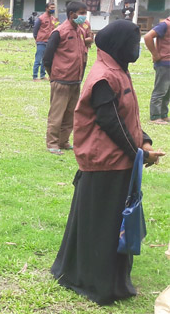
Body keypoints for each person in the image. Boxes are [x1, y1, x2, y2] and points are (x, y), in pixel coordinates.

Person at [51, 19, 164, 306]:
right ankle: (94, 281)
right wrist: (140, 154)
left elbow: (129, 116)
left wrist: (145, 141)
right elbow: (110, 124)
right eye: (132, 40)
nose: (136, 46)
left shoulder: (118, 71)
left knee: (111, 223)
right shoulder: (104, 77)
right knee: (103, 226)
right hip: (105, 165)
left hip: (118, 163)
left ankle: (105, 276)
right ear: (118, 45)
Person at [43, 1, 90, 155]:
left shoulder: (80, 31)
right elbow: (47, 58)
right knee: (57, 114)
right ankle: (52, 143)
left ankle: (64, 141)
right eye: (81, 13)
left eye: (85, 13)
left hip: (75, 80)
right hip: (61, 80)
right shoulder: (59, 32)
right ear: (71, 14)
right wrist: (54, 76)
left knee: (70, 114)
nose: (84, 16)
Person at [144, 15, 170, 124]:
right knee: (160, 90)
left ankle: (163, 115)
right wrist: (155, 54)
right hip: (164, 63)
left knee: (168, 92)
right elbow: (148, 37)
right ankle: (155, 117)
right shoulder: (165, 25)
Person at [32, 2, 59, 81]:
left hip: (49, 42)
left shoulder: (53, 19)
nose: (53, 9)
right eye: (51, 8)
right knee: (38, 59)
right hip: (41, 41)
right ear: (47, 8)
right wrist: (37, 39)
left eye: (54, 8)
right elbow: (35, 30)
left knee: (45, 59)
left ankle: (43, 75)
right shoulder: (41, 18)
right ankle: (35, 76)